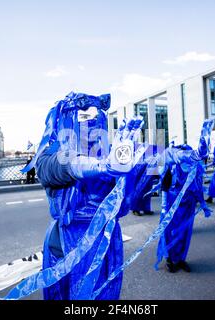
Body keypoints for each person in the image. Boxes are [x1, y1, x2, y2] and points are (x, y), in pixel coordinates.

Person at [16, 92, 146, 300]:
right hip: (67, 243)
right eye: (84, 117)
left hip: (106, 242)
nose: (92, 122)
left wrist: (129, 164)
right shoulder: (51, 152)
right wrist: (102, 167)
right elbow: (60, 166)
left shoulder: (108, 152)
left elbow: (123, 206)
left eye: (96, 116)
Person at [156, 120, 214, 273]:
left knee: (185, 233)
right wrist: (163, 207)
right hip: (171, 203)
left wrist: (204, 205)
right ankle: (170, 259)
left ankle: (181, 259)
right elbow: (165, 185)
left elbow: (197, 187)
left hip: (188, 205)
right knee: (170, 232)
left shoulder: (195, 167)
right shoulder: (172, 165)